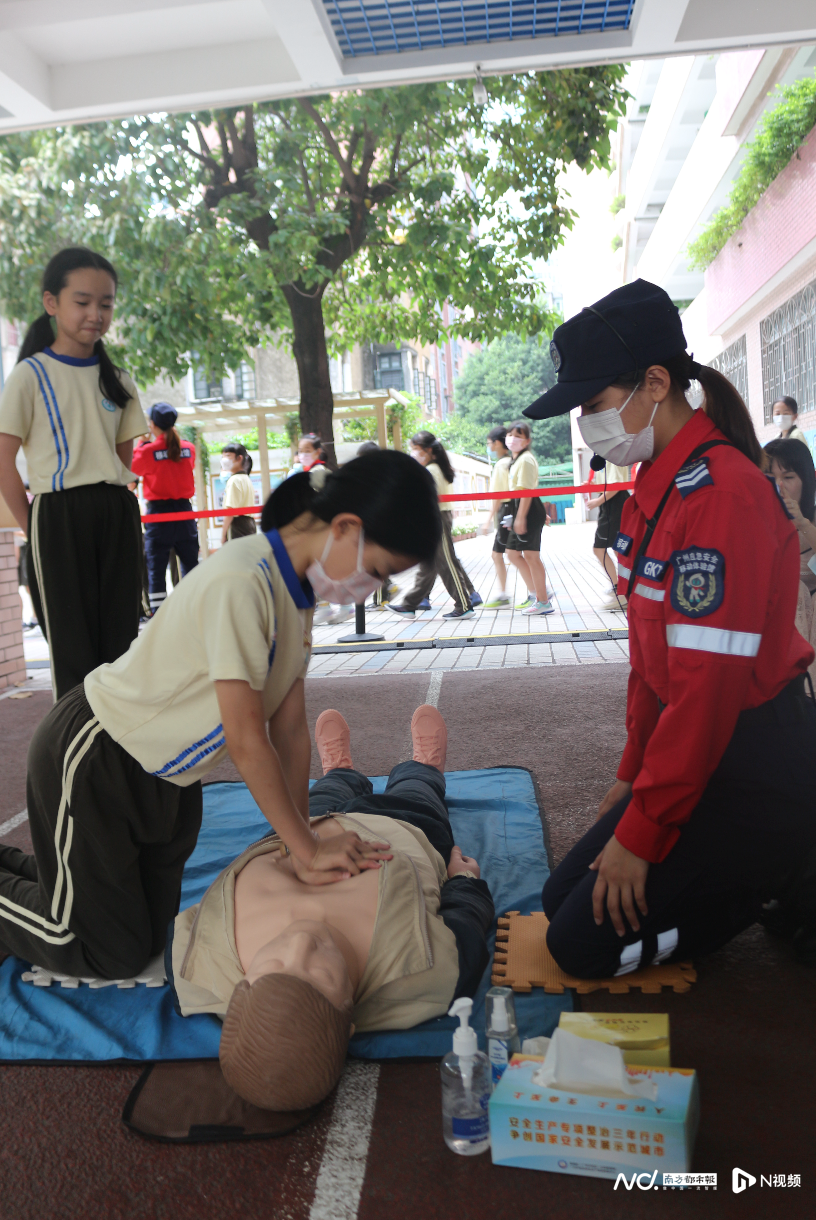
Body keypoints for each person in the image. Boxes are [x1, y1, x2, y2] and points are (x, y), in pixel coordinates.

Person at [0, 451, 441, 981]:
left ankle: (54, 883)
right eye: (378, 572)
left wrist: (299, 838)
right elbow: (247, 739)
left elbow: (291, 730)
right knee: (103, 951)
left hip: (168, 780)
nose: (373, 588)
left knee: (145, 930)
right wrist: (305, 848)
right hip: (99, 759)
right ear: (346, 527)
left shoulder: (295, 593)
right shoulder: (244, 581)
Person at [522, 278, 816, 977]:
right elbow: (653, 664)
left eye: (594, 405)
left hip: (751, 765)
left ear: (656, 383)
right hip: (698, 753)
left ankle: (782, 870)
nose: (588, 423)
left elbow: (708, 690)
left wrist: (646, 831)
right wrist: (632, 778)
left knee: (579, 946)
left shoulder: (722, 496)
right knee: (559, 893)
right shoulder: (656, 492)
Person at [169, 703, 494, 1111]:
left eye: (271, 966)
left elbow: (181, 934)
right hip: (405, 828)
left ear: (239, 988)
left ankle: (339, 770)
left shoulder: (197, 964)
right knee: (419, 792)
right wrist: (464, 880)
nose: (301, 944)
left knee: (326, 790)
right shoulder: (425, 973)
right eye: (320, 972)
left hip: (303, 827)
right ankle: (424, 767)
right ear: (350, 1016)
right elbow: (466, 923)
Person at [0, 247, 147, 700]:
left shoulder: (117, 380)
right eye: (82, 302)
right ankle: (75, 762)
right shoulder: (29, 375)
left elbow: (121, 462)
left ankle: (120, 760)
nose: (95, 314)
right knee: (72, 651)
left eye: (105, 303)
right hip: (56, 514)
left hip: (117, 511)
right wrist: (34, 526)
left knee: (122, 648)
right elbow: (5, 461)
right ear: (52, 303)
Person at [392, 431, 479, 619]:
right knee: (429, 565)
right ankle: (409, 605)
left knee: (446, 563)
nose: (413, 453)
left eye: (415, 449)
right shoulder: (436, 468)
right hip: (436, 517)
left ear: (428, 450)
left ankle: (464, 605)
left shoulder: (432, 470)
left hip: (437, 518)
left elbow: (426, 499)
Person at [131, 403, 199, 616]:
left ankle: (159, 616)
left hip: (159, 515)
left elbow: (132, 468)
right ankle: (194, 609)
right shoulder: (189, 448)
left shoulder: (148, 451)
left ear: (152, 424)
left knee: (156, 570)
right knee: (191, 565)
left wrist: (141, 444)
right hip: (185, 512)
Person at [765, 437, 816, 688]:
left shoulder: (812, 520)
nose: (779, 487)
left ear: (806, 480)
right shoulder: (755, 522)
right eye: (771, 478)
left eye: (788, 477)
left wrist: (803, 525)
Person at [504, 421, 554, 615]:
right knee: (513, 553)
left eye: (518, 435)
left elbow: (526, 490)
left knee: (531, 556)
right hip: (522, 508)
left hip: (527, 509)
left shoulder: (525, 459)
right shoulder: (518, 460)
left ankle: (543, 601)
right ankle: (538, 592)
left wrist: (521, 517)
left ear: (527, 441)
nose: (512, 438)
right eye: (510, 434)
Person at [585, 460, 631, 612]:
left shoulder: (611, 456)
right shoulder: (605, 456)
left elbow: (616, 485)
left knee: (603, 548)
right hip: (612, 503)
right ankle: (622, 588)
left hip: (614, 504)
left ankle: (621, 590)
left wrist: (598, 501)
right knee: (617, 549)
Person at [479, 426, 513, 609]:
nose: (488, 446)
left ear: (498, 443)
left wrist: (488, 519)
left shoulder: (501, 464)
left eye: (489, 443)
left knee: (500, 554)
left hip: (506, 512)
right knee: (513, 553)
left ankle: (504, 595)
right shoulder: (513, 461)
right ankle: (505, 593)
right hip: (512, 510)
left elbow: (499, 495)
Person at [219, 443, 257, 544]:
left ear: (239, 458)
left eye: (227, 456)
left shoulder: (234, 480)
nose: (224, 460)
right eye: (223, 456)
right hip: (249, 524)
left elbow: (230, 510)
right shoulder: (245, 478)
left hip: (238, 526)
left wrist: (223, 535)